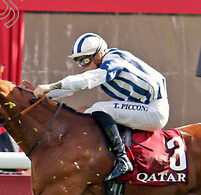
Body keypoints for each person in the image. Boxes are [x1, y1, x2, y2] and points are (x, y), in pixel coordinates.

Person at [34, 32, 169, 181]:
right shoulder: (104, 63)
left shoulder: (113, 60)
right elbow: (73, 88)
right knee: (90, 113)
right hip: (143, 106)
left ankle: (122, 158)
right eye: (78, 62)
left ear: (99, 55)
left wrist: (53, 85)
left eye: (85, 61)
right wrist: (46, 95)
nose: (82, 67)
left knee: (100, 108)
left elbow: (87, 80)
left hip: (154, 110)